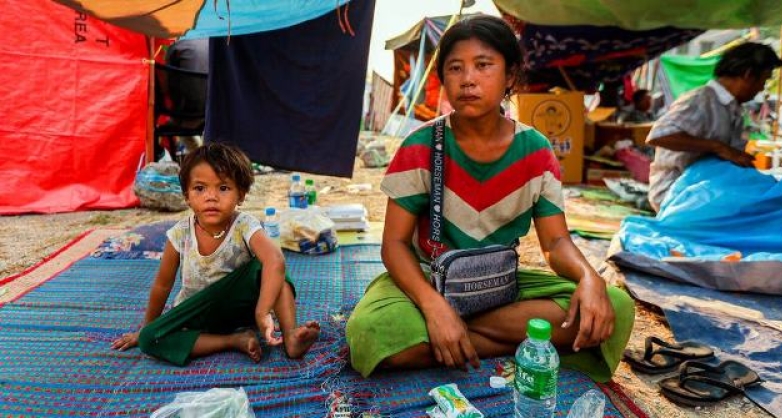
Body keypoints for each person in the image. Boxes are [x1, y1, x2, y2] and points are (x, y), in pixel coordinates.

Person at [345, 15, 634, 382]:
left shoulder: (536, 151)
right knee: (371, 332)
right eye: (455, 68)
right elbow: (395, 244)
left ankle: (460, 338)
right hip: (429, 279)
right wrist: (435, 307)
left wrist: (589, 277)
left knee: (615, 305)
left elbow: (556, 242)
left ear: (510, 76)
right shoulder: (420, 146)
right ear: (444, 79)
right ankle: (507, 338)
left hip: (500, 285)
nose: (468, 79)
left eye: (483, 65)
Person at [112, 143, 320, 365]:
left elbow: (275, 260)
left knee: (270, 265)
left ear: (241, 195)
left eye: (223, 188)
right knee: (149, 339)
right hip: (197, 314)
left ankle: (291, 336)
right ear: (187, 197)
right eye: (200, 188)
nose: (211, 197)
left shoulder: (244, 225)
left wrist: (262, 311)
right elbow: (162, 286)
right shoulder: (180, 234)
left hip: (243, 309)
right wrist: (147, 326)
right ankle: (233, 341)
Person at [646, 42, 782, 212]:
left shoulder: (734, 109)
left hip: (704, 192)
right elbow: (659, 135)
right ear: (748, 75)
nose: (762, 88)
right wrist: (718, 147)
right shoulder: (701, 100)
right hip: (676, 196)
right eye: (764, 80)